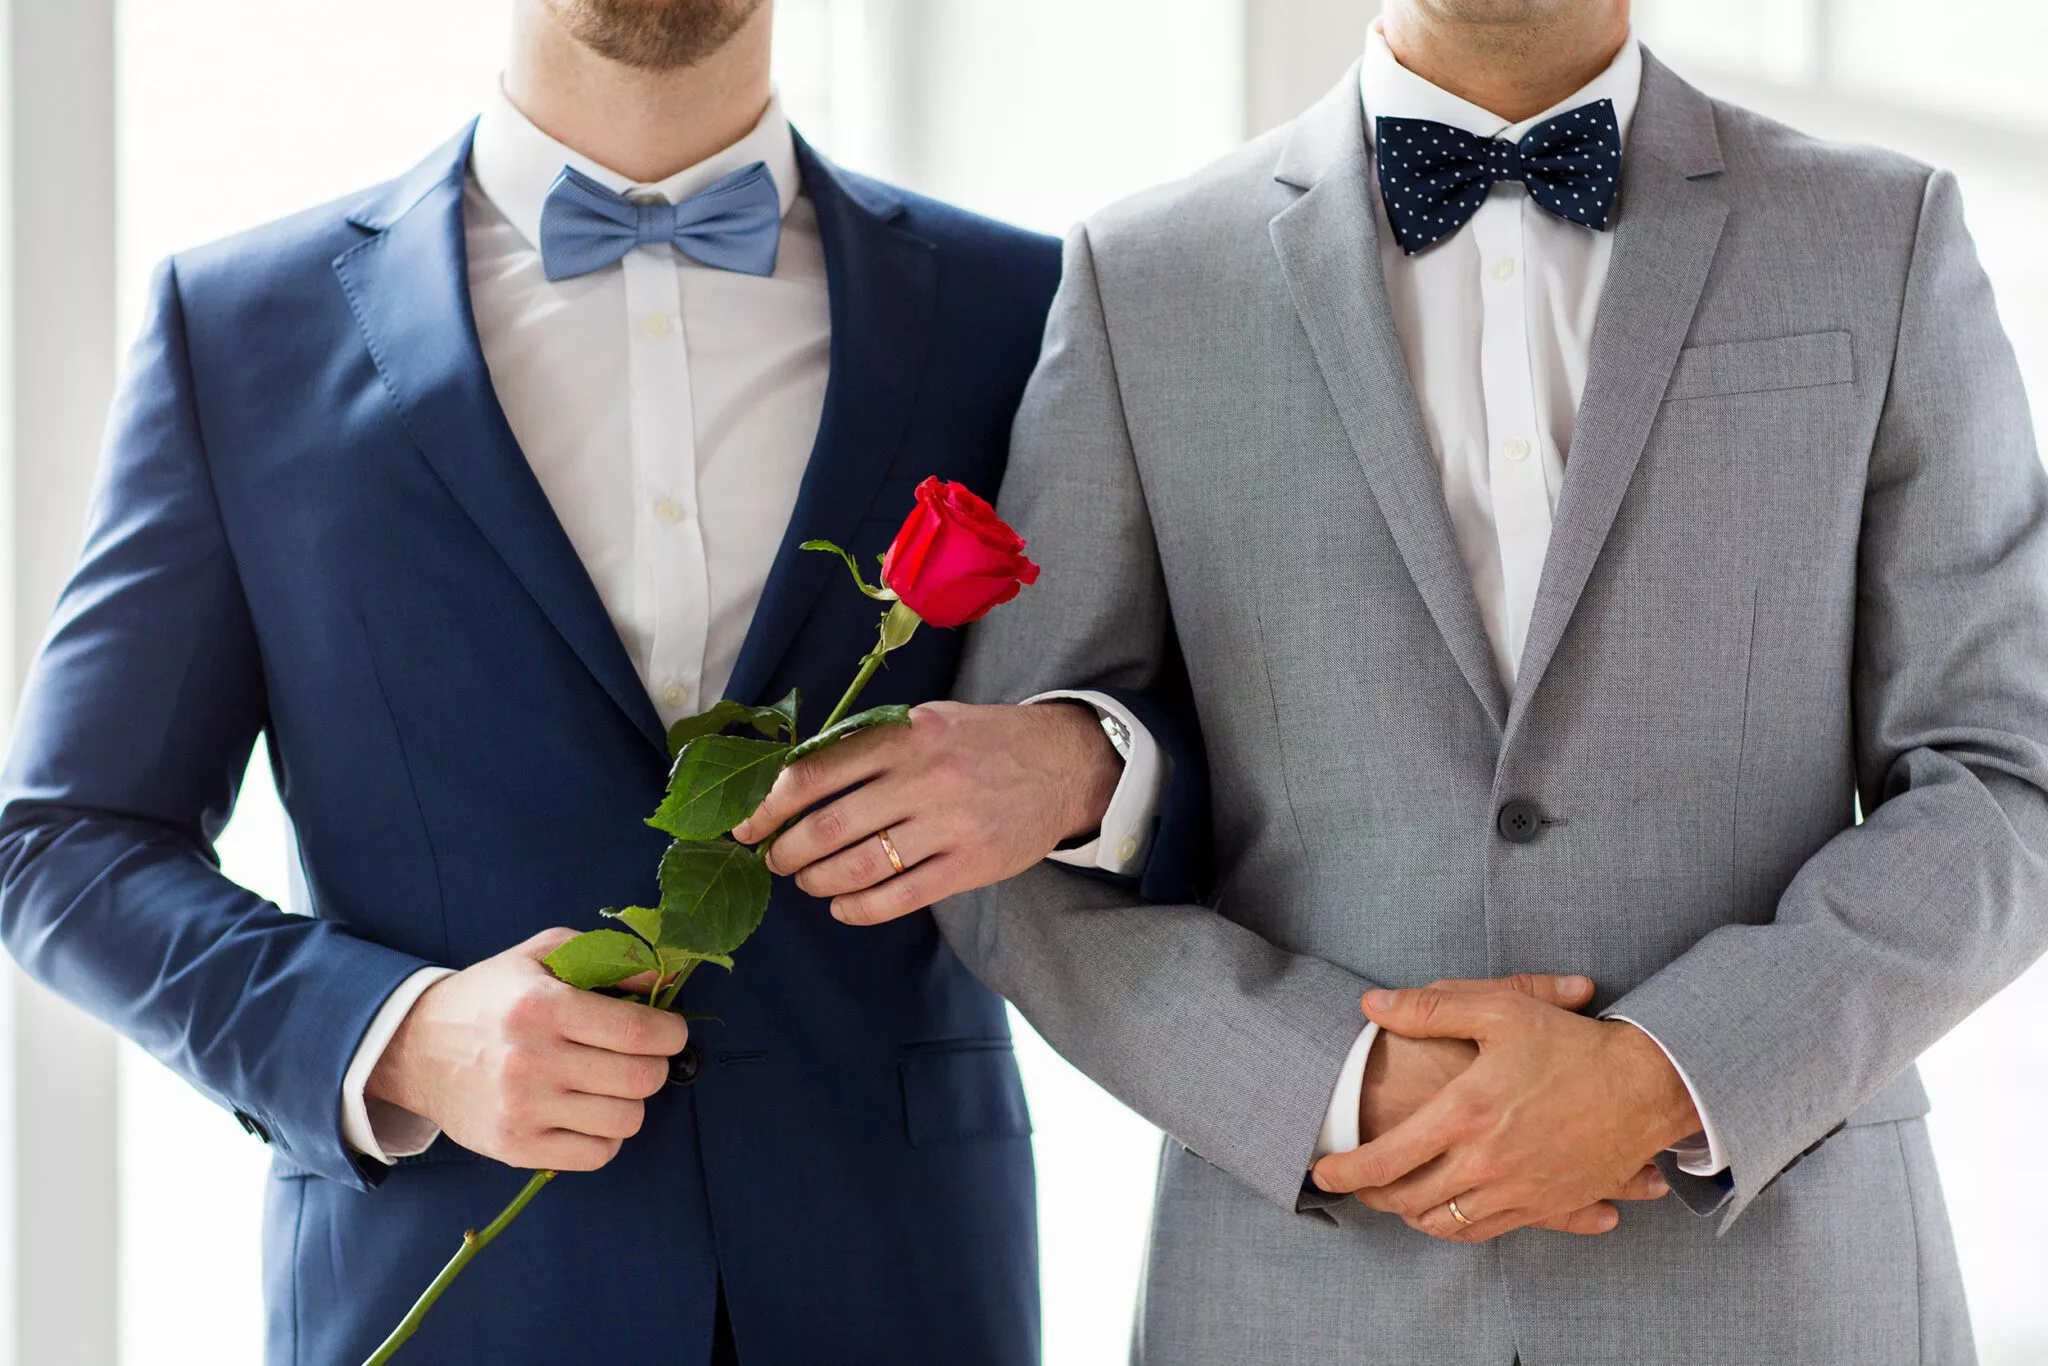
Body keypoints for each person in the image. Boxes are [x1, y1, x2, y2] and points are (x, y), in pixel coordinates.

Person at [746, 1, 2048, 1360]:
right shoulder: (1146, 280)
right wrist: (1337, 1083)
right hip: (1300, 1299)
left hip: (1782, 1293)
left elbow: (2008, 773)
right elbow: (1013, 852)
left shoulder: (1878, 236)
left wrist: (1675, 1072)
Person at [0, 2, 1082, 1361]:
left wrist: (1078, 763)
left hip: (898, 1285)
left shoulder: (1022, 308)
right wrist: (392, 1037)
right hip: (446, 1296)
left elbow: (1212, 728)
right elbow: (64, 844)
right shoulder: (234, 333)